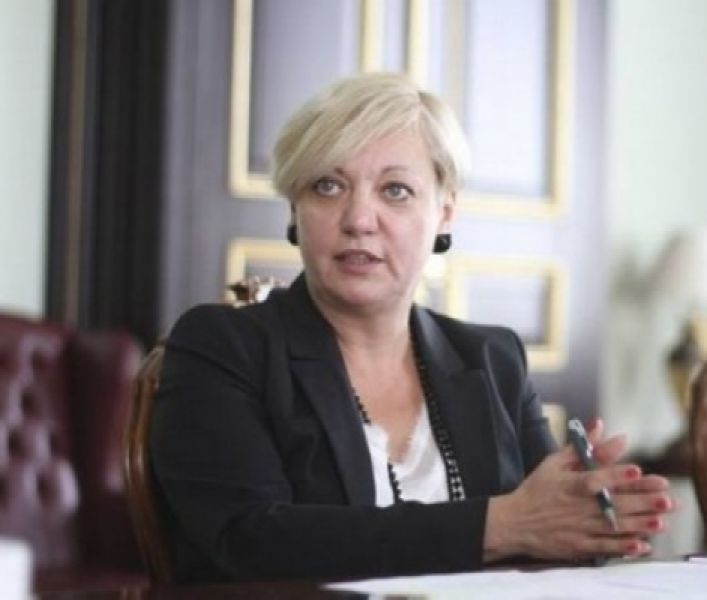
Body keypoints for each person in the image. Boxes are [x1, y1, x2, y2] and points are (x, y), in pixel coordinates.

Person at [150, 72, 674, 583]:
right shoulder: (222, 347)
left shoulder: (493, 358)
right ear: (295, 210)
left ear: (444, 213)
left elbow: (548, 534)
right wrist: (500, 525)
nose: (359, 219)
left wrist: (591, 519)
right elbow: (250, 540)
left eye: (395, 190)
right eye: (328, 186)